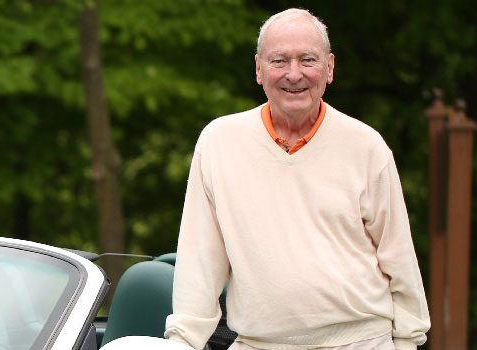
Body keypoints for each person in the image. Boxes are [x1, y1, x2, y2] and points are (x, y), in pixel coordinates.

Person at [164, 8, 430, 350]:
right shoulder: (219, 143)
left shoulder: (366, 147)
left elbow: (399, 256)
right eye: (279, 61)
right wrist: (183, 341)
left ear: (330, 68)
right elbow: (200, 258)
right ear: (258, 69)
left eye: (308, 60)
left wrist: (407, 342)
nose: (294, 74)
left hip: (360, 341)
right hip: (258, 343)